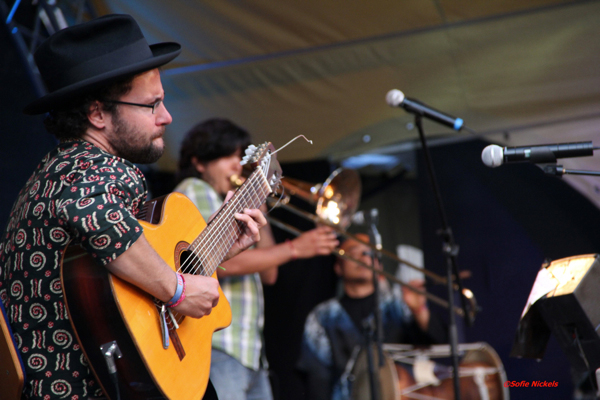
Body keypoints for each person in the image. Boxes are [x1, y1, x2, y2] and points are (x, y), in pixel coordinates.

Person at [0, 15, 266, 400]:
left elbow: (110, 289)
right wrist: (176, 292)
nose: (166, 116)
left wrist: (218, 248)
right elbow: (91, 214)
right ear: (97, 114)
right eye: (151, 104)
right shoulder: (99, 168)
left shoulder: (57, 171)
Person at [174, 118, 339, 400]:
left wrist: (258, 203)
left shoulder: (224, 201)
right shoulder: (195, 190)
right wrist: (295, 249)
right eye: (227, 156)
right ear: (199, 162)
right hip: (219, 345)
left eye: (239, 156)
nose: (237, 165)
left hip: (249, 351)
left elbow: (269, 274)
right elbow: (211, 261)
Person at [297, 234, 447, 400]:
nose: (363, 258)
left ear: (379, 266)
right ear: (338, 267)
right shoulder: (323, 316)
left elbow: (438, 344)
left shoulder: (397, 305)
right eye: (353, 253)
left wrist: (419, 309)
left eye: (370, 254)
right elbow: (317, 379)